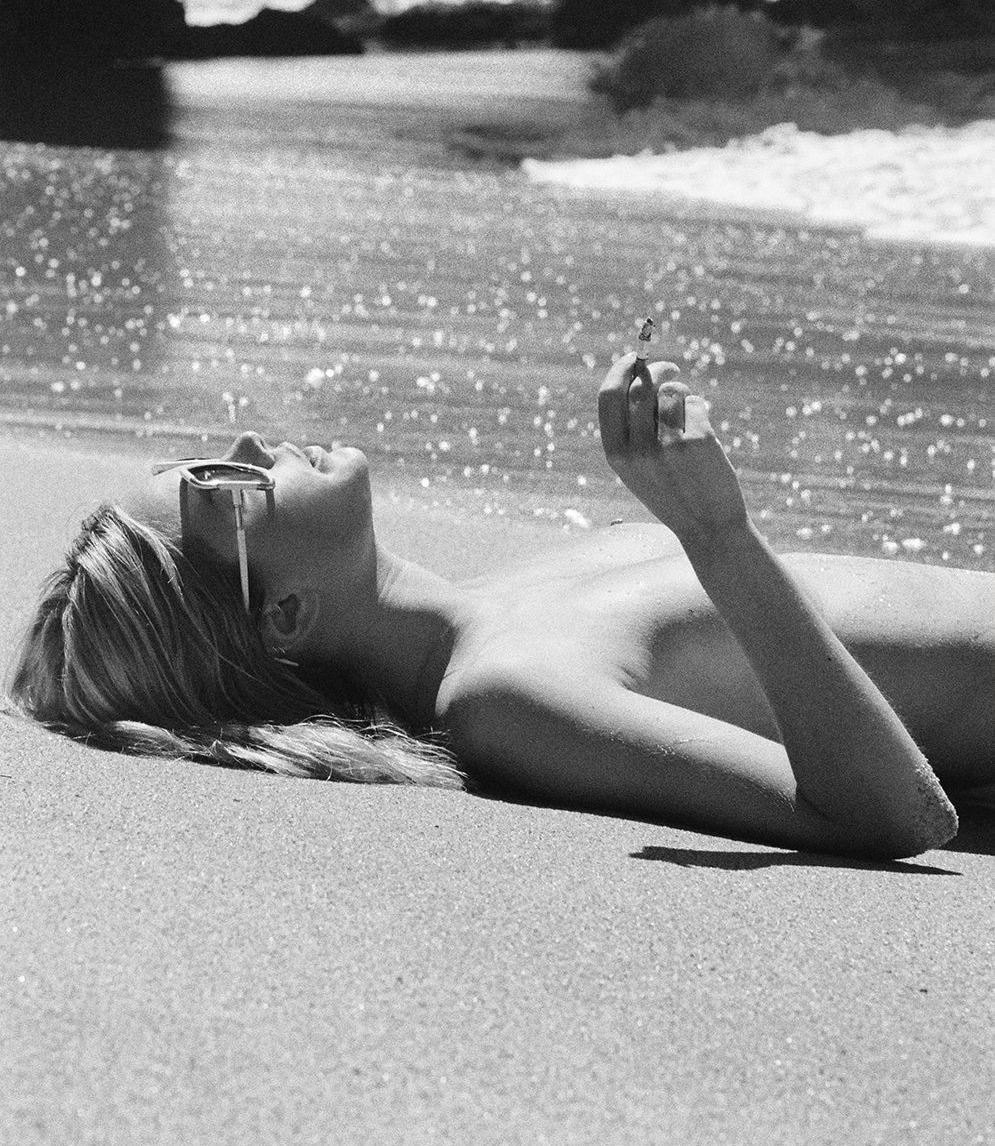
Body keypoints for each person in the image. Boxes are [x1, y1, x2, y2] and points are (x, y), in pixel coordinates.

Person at [7, 353, 994, 858]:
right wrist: (719, 534)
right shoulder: (506, 698)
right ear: (285, 617)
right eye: (221, 486)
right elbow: (886, 815)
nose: (250, 444)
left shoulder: (513, 590)